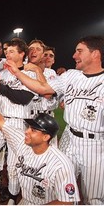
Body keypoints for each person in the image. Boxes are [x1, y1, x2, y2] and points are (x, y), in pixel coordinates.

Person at [6, 35, 104, 205]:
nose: (74, 55)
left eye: (79, 51)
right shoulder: (72, 76)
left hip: (95, 145)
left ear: (95, 54)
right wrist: (16, 72)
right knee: (58, 187)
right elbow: (44, 88)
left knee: (93, 198)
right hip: (68, 136)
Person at [0, 79, 80, 205]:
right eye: (29, 127)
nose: (27, 131)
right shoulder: (22, 142)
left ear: (46, 137)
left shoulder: (60, 164)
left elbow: (67, 202)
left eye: (33, 130)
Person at [0, 38, 36, 203]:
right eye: (7, 50)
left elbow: (23, 98)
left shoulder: (30, 74)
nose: (7, 53)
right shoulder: (2, 73)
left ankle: (12, 196)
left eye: (11, 51)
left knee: (13, 167)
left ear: (22, 53)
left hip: (19, 122)